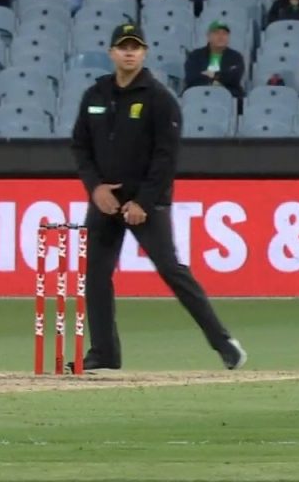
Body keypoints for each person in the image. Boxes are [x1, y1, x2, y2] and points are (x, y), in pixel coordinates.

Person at [70, 23, 247, 372]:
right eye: (123, 47)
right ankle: (105, 352)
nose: (129, 52)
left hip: (146, 202)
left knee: (171, 270)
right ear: (112, 53)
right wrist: (96, 188)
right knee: (95, 273)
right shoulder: (96, 95)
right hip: (106, 199)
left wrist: (144, 202)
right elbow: (80, 146)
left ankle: (224, 343)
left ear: (144, 53)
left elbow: (166, 158)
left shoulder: (158, 98)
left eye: (135, 47)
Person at [183, 20, 246, 99]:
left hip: (228, 92)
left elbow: (234, 78)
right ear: (208, 36)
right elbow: (191, 76)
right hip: (198, 91)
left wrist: (213, 75)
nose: (221, 37)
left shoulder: (236, 57)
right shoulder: (195, 55)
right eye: (216, 33)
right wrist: (214, 81)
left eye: (224, 34)